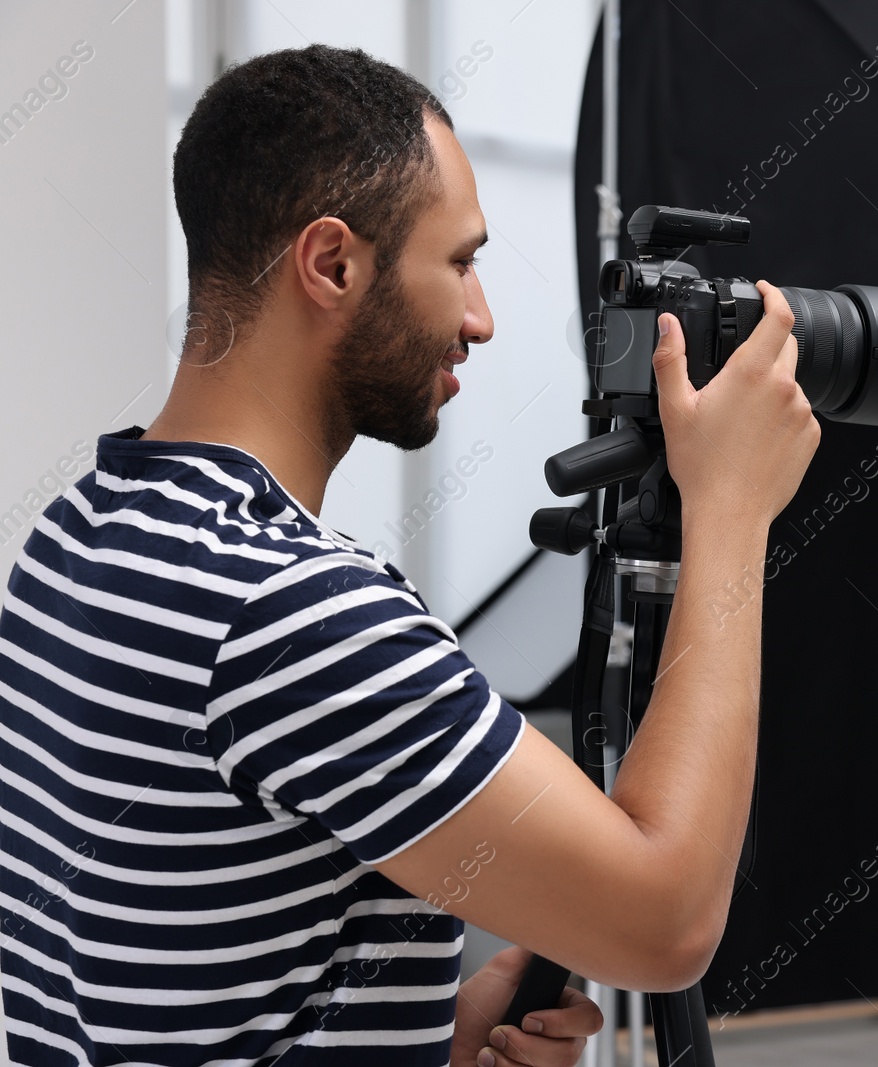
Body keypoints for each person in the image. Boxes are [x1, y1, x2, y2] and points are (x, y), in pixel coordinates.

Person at [0, 44, 818, 1067]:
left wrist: (413, 1031)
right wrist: (731, 512)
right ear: (333, 263)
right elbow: (666, 924)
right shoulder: (296, 610)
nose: (479, 319)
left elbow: (161, 968)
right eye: (461, 261)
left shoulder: (72, 538)